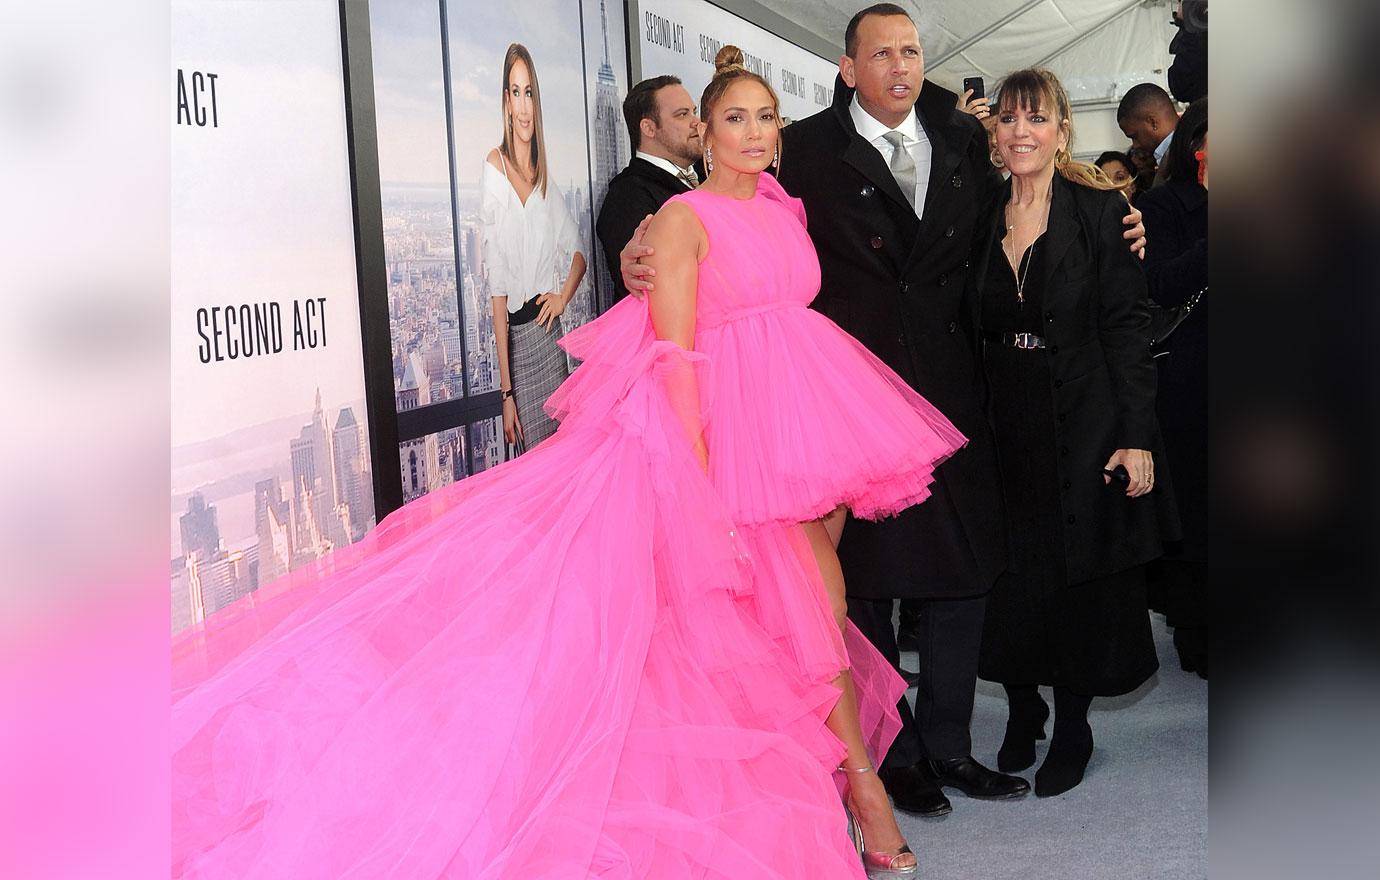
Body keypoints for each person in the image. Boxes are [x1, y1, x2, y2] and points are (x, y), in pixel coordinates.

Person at [170, 42, 973, 880]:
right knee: (816, 611)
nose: (754, 132)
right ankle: (865, 795)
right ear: (702, 131)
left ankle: (829, 788)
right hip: (729, 450)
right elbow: (676, 356)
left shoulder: (786, 205)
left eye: (766, 116)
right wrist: (698, 485)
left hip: (809, 430)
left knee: (798, 622)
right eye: (733, 117)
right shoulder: (680, 219)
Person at [622, 3, 1147, 819]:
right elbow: (716, 222)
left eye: (911, 51)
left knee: (963, 578)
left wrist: (1119, 214)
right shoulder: (802, 150)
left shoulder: (963, 136)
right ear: (848, 67)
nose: (901, 67)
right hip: (842, 407)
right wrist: (637, 253)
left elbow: (1031, 185)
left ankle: (950, 746)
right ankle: (888, 753)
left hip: (952, 392)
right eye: (882, 54)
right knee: (859, 588)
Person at [973, 68, 1180, 797]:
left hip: (1085, 413)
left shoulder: (1100, 211)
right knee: (1010, 576)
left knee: (1077, 576)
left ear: (1062, 129)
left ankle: (1072, 724)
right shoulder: (976, 210)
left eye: (1037, 118)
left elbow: (1128, 329)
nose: (1021, 132)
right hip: (1002, 421)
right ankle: (1022, 708)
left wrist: (1138, 435)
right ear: (992, 133)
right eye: (1008, 119)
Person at [481, 44, 587, 453]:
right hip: (521, 345)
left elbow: (578, 251)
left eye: (529, 93)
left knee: (564, 458)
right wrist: (506, 395)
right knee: (535, 466)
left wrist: (563, 297)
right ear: (505, 102)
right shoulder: (495, 168)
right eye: (514, 91)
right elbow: (498, 292)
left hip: (550, 336)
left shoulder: (545, 182)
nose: (523, 105)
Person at [1139, 97, 1208, 677]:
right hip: (1191, 378)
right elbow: (1156, 286)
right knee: (1197, 508)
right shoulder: (1163, 204)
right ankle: (1195, 627)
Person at [596, 76, 702, 302]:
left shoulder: (709, 178)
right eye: (682, 114)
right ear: (648, 128)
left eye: (694, 111)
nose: (697, 122)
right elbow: (651, 288)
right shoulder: (627, 197)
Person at [1117, 83, 1180, 178]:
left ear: (1152, 122)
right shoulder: (1192, 145)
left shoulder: (1183, 157)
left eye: (1135, 136)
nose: (1135, 145)